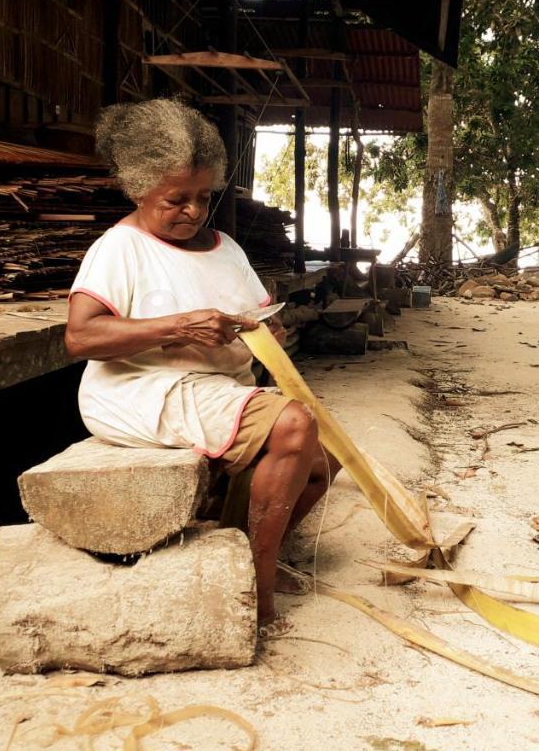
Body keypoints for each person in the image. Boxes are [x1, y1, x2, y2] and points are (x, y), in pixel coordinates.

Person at [64, 97, 338, 626]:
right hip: (143, 391)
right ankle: (256, 584)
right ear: (139, 189)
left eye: (202, 197)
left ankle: (241, 551)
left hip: (217, 389)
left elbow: (260, 318)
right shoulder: (120, 248)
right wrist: (176, 327)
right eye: (176, 200)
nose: (192, 210)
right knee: (295, 425)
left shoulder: (227, 248)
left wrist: (270, 332)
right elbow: (80, 337)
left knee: (327, 458)